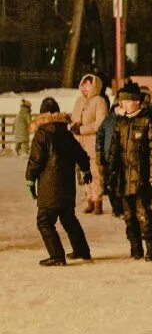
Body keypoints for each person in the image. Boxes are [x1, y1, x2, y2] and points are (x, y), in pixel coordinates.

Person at [25, 97, 92, 266]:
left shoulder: (42, 133)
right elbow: (81, 155)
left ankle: (57, 255)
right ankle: (82, 250)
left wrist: (30, 180)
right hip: (67, 187)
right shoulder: (66, 133)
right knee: (68, 217)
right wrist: (86, 170)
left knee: (44, 221)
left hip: (50, 187)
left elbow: (36, 161)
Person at [107, 80, 152, 262]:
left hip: (141, 178)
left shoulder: (148, 121)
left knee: (143, 214)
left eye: (126, 101)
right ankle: (135, 248)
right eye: (121, 102)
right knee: (128, 215)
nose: (122, 104)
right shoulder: (120, 122)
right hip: (124, 178)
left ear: (136, 101)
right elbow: (114, 149)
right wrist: (111, 172)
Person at [70, 73, 109, 215]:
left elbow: (100, 123)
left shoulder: (100, 101)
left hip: (94, 142)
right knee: (84, 172)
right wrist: (74, 125)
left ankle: (98, 201)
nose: (86, 88)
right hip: (80, 143)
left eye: (89, 85)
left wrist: (82, 129)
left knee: (95, 172)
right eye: (84, 85)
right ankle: (89, 200)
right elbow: (74, 117)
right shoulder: (79, 101)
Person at [96, 101, 126, 218]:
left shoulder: (125, 120)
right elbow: (99, 136)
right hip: (108, 157)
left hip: (121, 158)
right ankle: (116, 208)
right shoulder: (107, 121)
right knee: (110, 185)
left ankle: (120, 209)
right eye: (119, 107)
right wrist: (99, 152)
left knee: (119, 184)